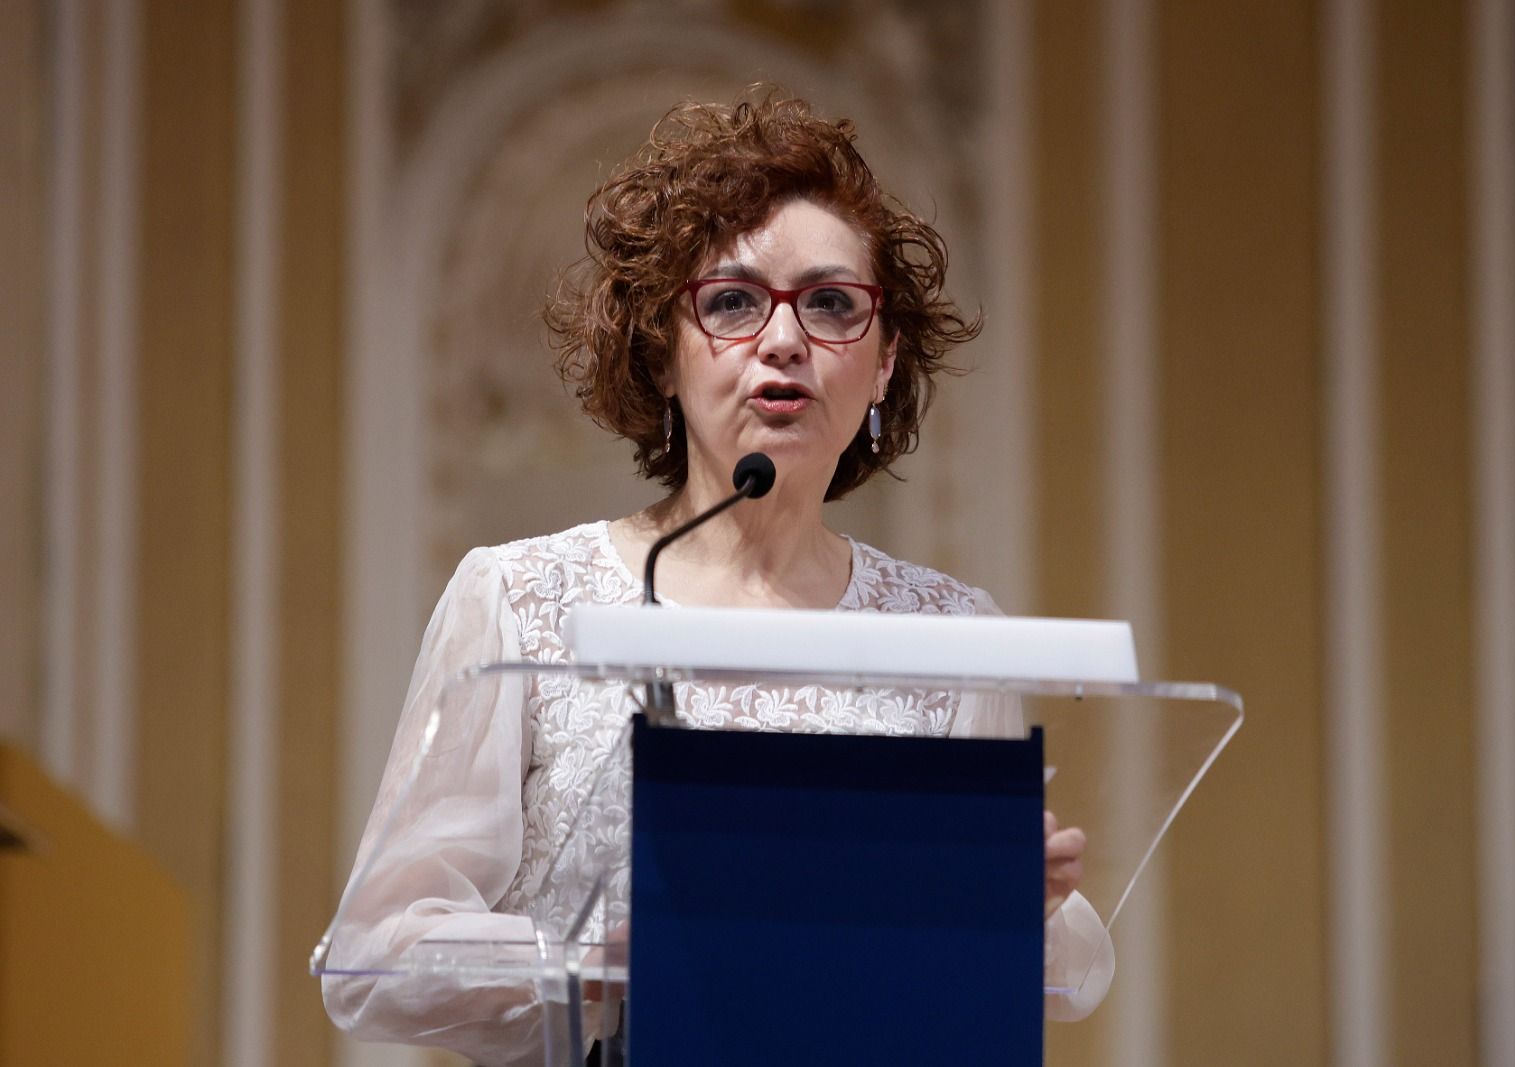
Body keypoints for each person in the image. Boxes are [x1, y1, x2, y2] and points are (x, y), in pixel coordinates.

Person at [321, 90, 1113, 1066]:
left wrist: (1006, 895)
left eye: (830, 303)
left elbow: (1057, 984)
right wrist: (594, 955)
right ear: (664, 353)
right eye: (732, 303)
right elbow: (372, 956)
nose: (783, 340)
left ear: (883, 361)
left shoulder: (953, 635)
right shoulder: (519, 598)